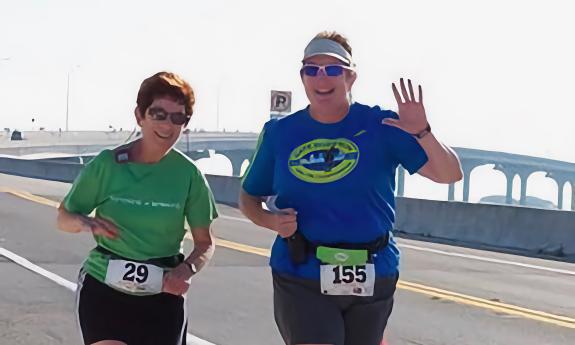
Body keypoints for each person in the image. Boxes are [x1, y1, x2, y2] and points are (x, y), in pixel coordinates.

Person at [239, 31, 463, 345]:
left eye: (333, 69)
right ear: (302, 77)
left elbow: (449, 175)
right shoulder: (280, 132)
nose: (321, 78)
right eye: (311, 69)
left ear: (350, 77)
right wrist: (270, 221)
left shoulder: (382, 125)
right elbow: (249, 196)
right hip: (302, 271)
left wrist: (423, 132)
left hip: (374, 271)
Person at [57, 71, 218, 345]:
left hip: (163, 293)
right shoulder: (108, 165)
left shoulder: (189, 176)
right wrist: (88, 223)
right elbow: (63, 218)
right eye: (158, 114)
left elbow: (205, 243)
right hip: (105, 288)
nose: (168, 125)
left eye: (178, 117)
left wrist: (186, 270)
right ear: (140, 116)